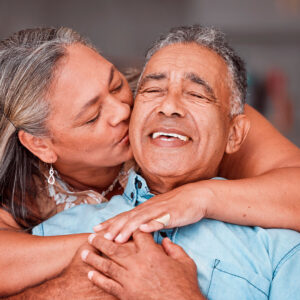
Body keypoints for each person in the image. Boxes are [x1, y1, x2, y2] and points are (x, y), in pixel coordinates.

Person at [0, 26, 300, 297]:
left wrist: (198, 197)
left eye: (117, 86)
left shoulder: (200, 115)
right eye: (92, 117)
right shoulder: (29, 201)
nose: (121, 111)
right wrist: (125, 243)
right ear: (41, 145)